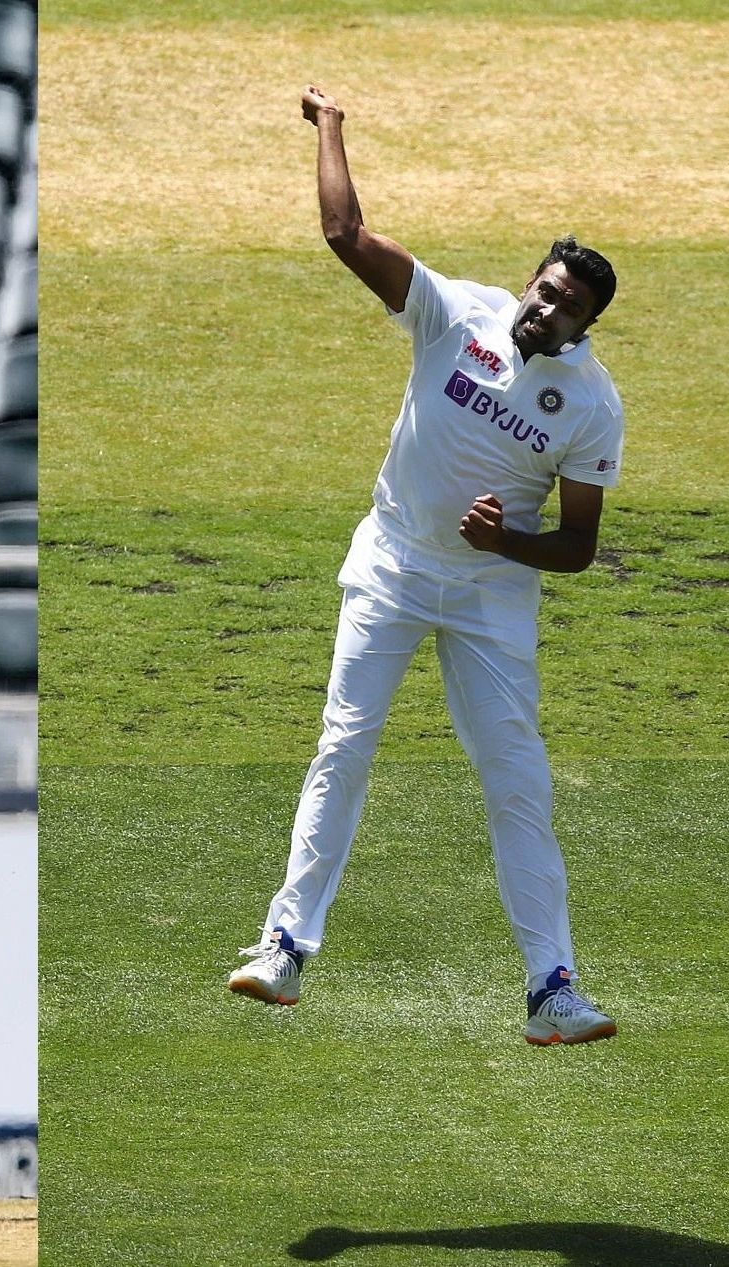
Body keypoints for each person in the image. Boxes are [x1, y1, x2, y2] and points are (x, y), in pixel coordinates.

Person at [227, 88, 625, 1047]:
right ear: (526, 281)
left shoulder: (593, 407)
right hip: (395, 563)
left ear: (584, 328)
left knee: (516, 780)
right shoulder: (456, 315)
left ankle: (553, 989)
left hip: (492, 594)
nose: (546, 305)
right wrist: (330, 127)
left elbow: (577, 548)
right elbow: (342, 231)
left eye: (568, 306)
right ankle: (284, 946)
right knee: (344, 744)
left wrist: (506, 545)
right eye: (544, 286)